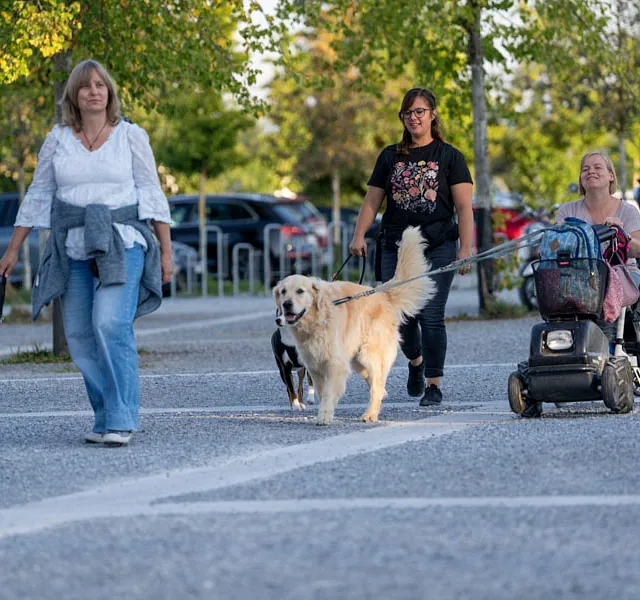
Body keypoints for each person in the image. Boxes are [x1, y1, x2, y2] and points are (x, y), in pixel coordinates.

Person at [0, 59, 173, 446]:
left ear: (109, 93)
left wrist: (166, 251)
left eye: (100, 85)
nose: (94, 91)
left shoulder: (131, 136)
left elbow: (151, 193)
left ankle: (122, 419)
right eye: (85, 86)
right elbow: (39, 194)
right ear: (74, 96)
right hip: (71, 245)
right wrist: (13, 249)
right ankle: (107, 415)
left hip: (122, 240)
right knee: (78, 334)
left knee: (110, 323)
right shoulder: (58, 139)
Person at [349, 87, 474, 407]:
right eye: (408, 113)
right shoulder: (390, 156)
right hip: (395, 245)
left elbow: (463, 208)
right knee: (399, 317)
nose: (414, 118)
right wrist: (359, 235)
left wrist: (465, 248)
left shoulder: (450, 157)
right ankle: (416, 362)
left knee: (432, 315)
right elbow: (372, 201)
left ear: (433, 114)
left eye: (420, 112)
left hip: (438, 246)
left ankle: (433, 383)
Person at [521, 151, 640, 418]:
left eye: (598, 167)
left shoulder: (628, 211)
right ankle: (555, 361)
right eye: (585, 168)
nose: (591, 171)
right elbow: (552, 247)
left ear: (611, 176)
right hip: (576, 277)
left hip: (619, 273)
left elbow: (638, 250)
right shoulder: (567, 211)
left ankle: (607, 356)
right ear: (581, 177)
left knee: (606, 287)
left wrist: (620, 235)